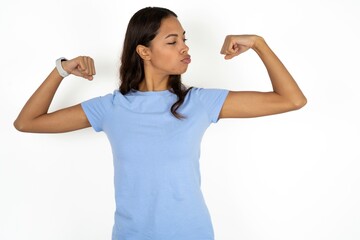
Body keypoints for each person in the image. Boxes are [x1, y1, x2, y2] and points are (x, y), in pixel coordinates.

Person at [14, 6, 307, 240]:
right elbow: (27, 122)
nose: (183, 48)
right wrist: (61, 70)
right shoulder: (111, 108)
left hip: (193, 234)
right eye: (172, 41)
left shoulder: (200, 103)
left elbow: (291, 100)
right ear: (144, 52)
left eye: (184, 39)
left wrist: (259, 44)